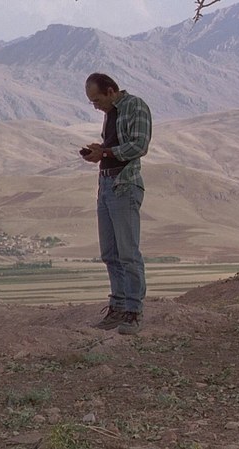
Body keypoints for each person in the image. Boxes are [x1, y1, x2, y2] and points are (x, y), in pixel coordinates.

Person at [80, 72, 151, 335]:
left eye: (97, 100)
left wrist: (106, 152)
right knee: (110, 253)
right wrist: (100, 151)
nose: (96, 106)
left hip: (124, 185)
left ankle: (133, 310)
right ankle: (118, 306)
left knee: (128, 253)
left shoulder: (135, 106)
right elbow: (115, 145)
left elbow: (139, 146)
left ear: (111, 91)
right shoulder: (111, 113)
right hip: (106, 184)